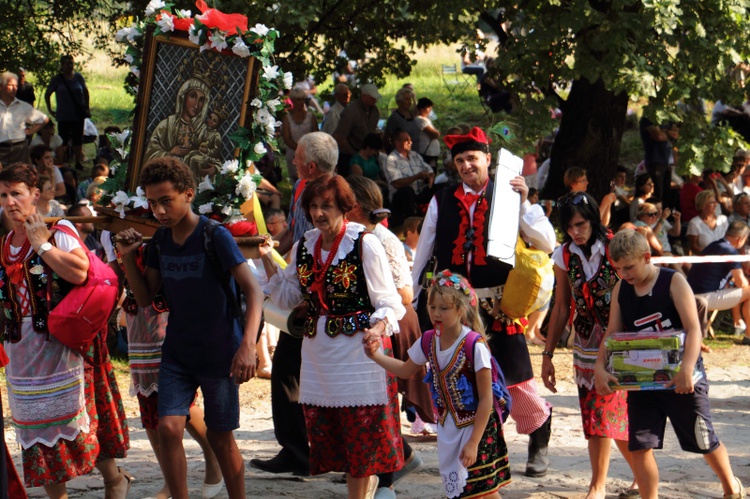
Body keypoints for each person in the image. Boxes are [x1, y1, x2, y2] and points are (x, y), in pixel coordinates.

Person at [115, 157, 264, 499]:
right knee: (168, 427)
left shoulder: (215, 236)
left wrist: (248, 346)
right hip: (178, 353)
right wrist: (127, 257)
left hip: (220, 353)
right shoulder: (160, 242)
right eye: (153, 203)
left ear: (188, 194)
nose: (160, 211)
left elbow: (253, 290)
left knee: (220, 436)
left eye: (167, 201)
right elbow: (146, 296)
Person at [412, 126, 555, 477]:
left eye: (472, 158)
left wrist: (523, 204)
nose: (466, 165)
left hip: (500, 306)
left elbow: (548, 241)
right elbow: (425, 248)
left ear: (488, 160)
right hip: (457, 309)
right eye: (459, 160)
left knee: (518, 378)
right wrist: (415, 294)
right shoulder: (442, 198)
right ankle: (481, 448)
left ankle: (539, 436)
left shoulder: (510, 193)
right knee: (464, 379)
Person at [259, 174, 406, 498]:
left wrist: (378, 329)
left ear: (345, 208)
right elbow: (286, 296)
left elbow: (389, 302)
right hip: (319, 357)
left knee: (362, 441)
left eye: (326, 206)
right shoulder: (305, 245)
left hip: (359, 357)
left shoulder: (364, 244)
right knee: (340, 440)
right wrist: (267, 255)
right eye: (313, 206)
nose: (318, 213)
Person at [0, 163, 130, 497]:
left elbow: (79, 273)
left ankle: (114, 478)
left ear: (35, 195)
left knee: (77, 422)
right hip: (21, 352)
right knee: (36, 433)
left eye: (17, 193)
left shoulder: (58, 229)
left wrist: (41, 244)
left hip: (62, 343)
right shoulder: (3, 246)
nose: (10, 201)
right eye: (3, 195)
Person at [594, 229, 746, 499]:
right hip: (641, 382)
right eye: (619, 269)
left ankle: (731, 486)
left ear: (647, 257)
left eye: (629, 267)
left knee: (703, 440)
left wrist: (687, 369)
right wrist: (599, 368)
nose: (624, 274)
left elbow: (694, 330)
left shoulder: (673, 281)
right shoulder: (621, 288)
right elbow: (612, 334)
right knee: (639, 446)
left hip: (683, 380)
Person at [365, 269, 510, 499]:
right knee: (466, 491)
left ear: (460, 309)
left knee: (483, 491)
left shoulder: (474, 345)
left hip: (478, 428)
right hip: (449, 426)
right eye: (432, 307)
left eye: (444, 308)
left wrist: (473, 442)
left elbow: (486, 400)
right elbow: (405, 369)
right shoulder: (429, 340)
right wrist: (375, 356)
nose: (436, 313)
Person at [104, 232, 225, 499]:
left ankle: (213, 453)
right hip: (137, 322)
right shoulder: (110, 227)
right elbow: (112, 273)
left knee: (176, 397)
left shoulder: (163, 224)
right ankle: (170, 480)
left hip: (169, 316)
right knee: (148, 401)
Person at [250, 133, 338, 478]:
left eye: (296, 158)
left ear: (310, 165)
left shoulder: (333, 195)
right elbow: (295, 238)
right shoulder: (303, 188)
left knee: (311, 373)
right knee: (291, 369)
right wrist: (270, 245)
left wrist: (310, 295)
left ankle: (396, 455)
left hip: (319, 301)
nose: (291, 162)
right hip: (300, 291)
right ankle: (298, 449)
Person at [541, 191, 639, 499]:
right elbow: (560, 306)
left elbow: (640, 285)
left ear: (593, 219)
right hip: (584, 343)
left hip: (621, 341)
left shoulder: (615, 246)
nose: (575, 232)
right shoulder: (564, 255)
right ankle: (636, 476)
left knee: (609, 410)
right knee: (599, 412)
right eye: (569, 227)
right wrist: (548, 354)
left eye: (580, 224)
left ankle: (600, 486)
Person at [347, 175, 433, 496]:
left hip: (392, 323)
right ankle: (399, 460)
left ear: (354, 205)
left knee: (382, 403)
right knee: (367, 405)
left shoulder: (381, 238)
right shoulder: (346, 237)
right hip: (367, 325)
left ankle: (385, 480)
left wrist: (375, 305)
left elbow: (405, 294)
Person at [687, 221, 750, 344]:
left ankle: (740, 324)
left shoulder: (714, 245)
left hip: (692, 296)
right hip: (705, 298)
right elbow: (742, 283)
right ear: (740, 239)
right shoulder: (730, 251)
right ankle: (747, 333)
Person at [144, 73, 210, 165]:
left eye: (201, 100)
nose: (196, 105)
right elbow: (149, 156)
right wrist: (171, 153)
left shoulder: (204, 131)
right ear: (183, 97)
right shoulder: (166, 125)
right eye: (193, 96)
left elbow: (212, 160)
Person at [382, 129, 435, 227]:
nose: (410, 142)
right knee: (407, 190)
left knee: (441, 188)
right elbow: (396, 183)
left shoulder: (415, 155)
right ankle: (413, 223)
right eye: (406, 140)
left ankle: (436, 218)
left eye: (410, 139)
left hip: (420, 193)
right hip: (401, 197)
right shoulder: (391, 159)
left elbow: (430, 170)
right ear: (397, 142)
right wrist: (417, 177)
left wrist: (430, 178)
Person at [44, 55, 90, 169]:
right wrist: (50, 109)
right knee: (62, 139)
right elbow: (47, 94)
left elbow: (85, 91)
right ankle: (62, 160)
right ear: (62, 65)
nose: (70, 66)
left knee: (78, 139)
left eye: (71, 63)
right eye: (67, 64)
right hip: (63, 115)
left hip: (78, 115)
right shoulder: (57, 79)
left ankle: (78, 162)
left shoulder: (78, 77)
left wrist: (86, 107)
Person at [0, 71, 49, 165]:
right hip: (1, 149)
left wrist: (30, 131)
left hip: (20, 149)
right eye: (11, 85)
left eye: (16, 86)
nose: (14, 89)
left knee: (22, 176)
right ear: (1, 86)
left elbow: (44, 119)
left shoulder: (22, 106)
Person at [334, 83, 382, 176]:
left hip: (368, 155)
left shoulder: (374, 111)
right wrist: (355, 154)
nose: (375, 101)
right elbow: (339, 137)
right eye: (372, 98)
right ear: (364, 96)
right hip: (349, 156)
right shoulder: (350, 112)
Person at [282, 88, 318, 185]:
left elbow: (316, 136)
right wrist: (299, 150)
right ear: (292, 100)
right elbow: (286, 138)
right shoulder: (287, 118)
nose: (301, 102)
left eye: (303, 99)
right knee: (296, 181)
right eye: (298, 99)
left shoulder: (311, 117)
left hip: (309, 153)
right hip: (293, 153)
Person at [687, 190, 729, 255]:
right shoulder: (694, 223)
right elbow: (693, 246)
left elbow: (729, 241)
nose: (715, 205)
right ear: (703, 205)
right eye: (712, 202)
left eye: (716, 202)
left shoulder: (723, 219)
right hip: (705, 260)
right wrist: (709, 256)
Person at [384, 87, 421, 153]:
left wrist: (414, 99)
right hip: (401, 157)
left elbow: (416, 109)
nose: (409, 102)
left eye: (410, 99)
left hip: (414, 156)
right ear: (399, 102)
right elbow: (387, 138)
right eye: (407, 99)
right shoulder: (395, 118)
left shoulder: (412, 115)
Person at [415, 97, 441, 170]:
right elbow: (434, 134)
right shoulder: (420, 120)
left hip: (432, 152)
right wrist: (437, 133)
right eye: (430, 108)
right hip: (428, 153)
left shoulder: (426, 119)